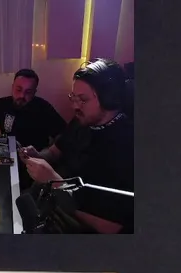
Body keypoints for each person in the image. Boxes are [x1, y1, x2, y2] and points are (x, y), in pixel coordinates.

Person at [20, 58, 134, 233]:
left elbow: (112, 227)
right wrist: (38, 156)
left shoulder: (126, 146)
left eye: (83, 99)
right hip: (45, 202)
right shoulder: (81, 120)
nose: (74, 106)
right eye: (73, 97)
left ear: (109, 99)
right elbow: (54, 152)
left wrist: (55, 182)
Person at [0, 68, 67, 151]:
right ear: (12, 87)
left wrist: (50, 153)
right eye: (18, 89)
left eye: (28, 92)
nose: (22, 95)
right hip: (8, 156)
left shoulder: (44, 108)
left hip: (35, 158)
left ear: (34, 92)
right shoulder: (2, 104)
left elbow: (64, 134)